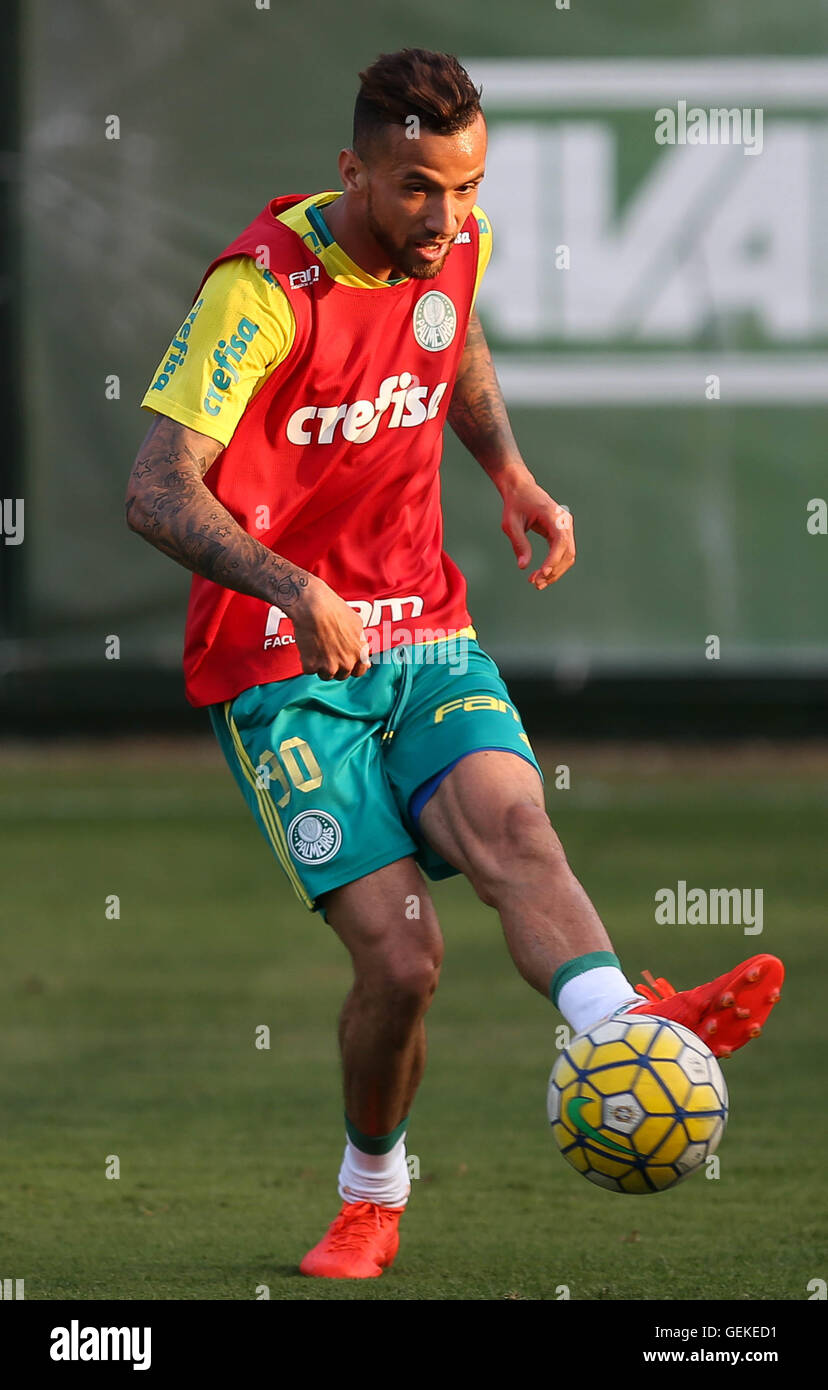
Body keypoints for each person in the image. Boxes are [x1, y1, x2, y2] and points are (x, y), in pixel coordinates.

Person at [125, 48, 783, 1280]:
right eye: (420, 189)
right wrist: (295, 583)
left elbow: (451, 342)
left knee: (517, 832)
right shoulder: (262, 291)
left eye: (469, 189)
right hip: (280, 655)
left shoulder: (452, 244)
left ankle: (623, 1023)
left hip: (425, 624)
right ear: (354, 169)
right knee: (405, 956)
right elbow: (156, 492)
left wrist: (511, 473)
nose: (448, 219)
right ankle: (373, 1189)